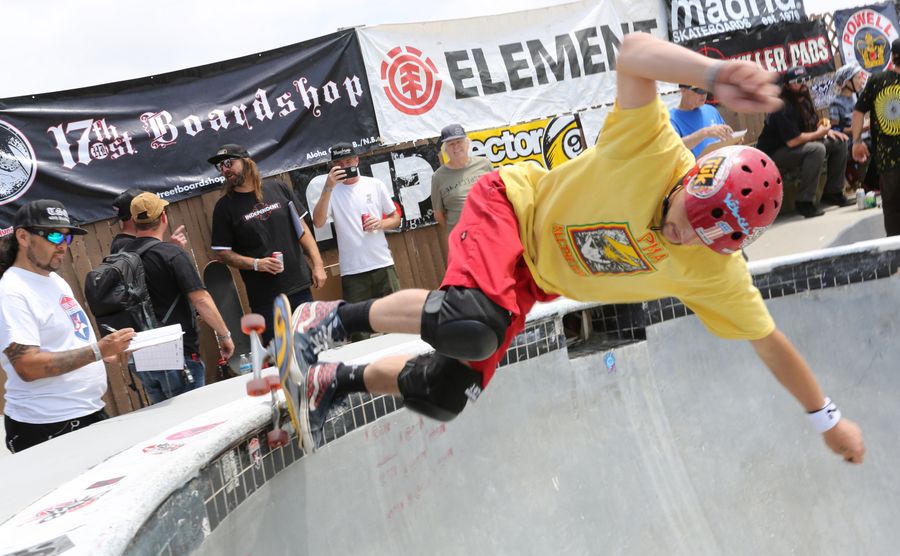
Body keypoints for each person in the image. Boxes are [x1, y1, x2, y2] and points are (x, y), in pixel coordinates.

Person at [292, 33, 865, 465]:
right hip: (512, 209)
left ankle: (335, 382)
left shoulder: (715, 275)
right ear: (693, 179)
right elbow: (634, 53)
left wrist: (827, 420)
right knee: (470, 320)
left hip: (534, 280)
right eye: (690, 218)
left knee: (443, 391)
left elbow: (769, 342)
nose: (686, 236)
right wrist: (713, 72)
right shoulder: (651, 147)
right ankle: (329, 320)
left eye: (708, 240)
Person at [0, 199, 134, 453]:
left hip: (84, 413)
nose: (62, 245)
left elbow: (67, 342)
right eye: (53, 236)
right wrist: (97, 351)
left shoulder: (55, 281)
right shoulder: (11, 291)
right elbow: (27, 366)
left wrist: (108, 354)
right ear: (23, 237)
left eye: (67, 237)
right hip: (48, 427)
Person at [208, 144, 326, 343]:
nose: (225, 169)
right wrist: (256, 264)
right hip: (265, 298)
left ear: (247, 162)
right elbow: (223, 253)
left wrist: (318, 265)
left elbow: (303, 231)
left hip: (299, 287)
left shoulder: (279, 188)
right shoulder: (224, 207)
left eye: (229, 163)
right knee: (279, 353)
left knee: (312, 345)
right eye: (220, 166)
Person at [124, 192, 235, 403]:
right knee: (194, 418)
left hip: (143, 359)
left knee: (167, 422)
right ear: (163, 217)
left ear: (134, 221)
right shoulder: (171, 255)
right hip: (178, 357)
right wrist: (225, 335)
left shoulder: (122, 258)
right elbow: (201, 300)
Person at [313, 142, 402, 306]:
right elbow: (318, 223)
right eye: (339, 164)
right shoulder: (330, 191)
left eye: (348, 162)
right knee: (357, 321)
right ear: (333, 167)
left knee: (396, 315)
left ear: (357, 160)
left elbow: (395, 218)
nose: (345, 167)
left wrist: (380, 223)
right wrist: (328, 187)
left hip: (383, 264)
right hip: (352, 271)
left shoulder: (375, 184)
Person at [756, 65, 851, 218]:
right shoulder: (782, 106)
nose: (803, 83)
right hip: (773, 154)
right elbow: (793, 141)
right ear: (787, 85)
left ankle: (833, 192)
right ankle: (804, 202)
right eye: (798, 81)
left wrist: (827, 131)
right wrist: (819, 134)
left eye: (805, 79)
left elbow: (812, 126)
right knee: (817, 149)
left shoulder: (804, 100)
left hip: (795, 146)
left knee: (839, 142)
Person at [852, 39, 900, 236]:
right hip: (888, 161)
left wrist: (856, 142)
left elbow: (858, 112)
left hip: (888, 161)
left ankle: (895, 251)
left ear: (892, 56)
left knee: (892, 210)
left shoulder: (876, 80)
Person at [430, 124, 493, 257]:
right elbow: (438, 214)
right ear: (445, 149)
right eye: (451, 144)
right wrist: (457, 229)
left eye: (459, 142)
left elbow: (497, 195)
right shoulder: (438, 177)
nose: (456, 147)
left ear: (467, 143)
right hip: (463, 240)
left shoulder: (484, 164)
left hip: (490, 231)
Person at [830, 64, 873, 190]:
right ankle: (861, 181)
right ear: (847, 82)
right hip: (850, 142)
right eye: (858, 78)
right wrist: (860, 128)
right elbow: (835, 129)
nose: (861, 81)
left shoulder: (858, 96)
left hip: (865, 135)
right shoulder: (836, 103)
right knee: (867, 147)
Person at [110, 188, 187, 253]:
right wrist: (172, 250)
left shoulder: (130, 242)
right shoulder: (125, 245)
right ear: (133, 216)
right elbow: (152, 265)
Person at [669, 84, 734, 157]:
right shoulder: (671, 119)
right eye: (699, 90)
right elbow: (673, 150)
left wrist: (734, 141)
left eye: (706, 89)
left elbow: (725, 140)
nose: (704, 95)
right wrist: (704, 133)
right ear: (683, 89)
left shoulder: (711, 110)